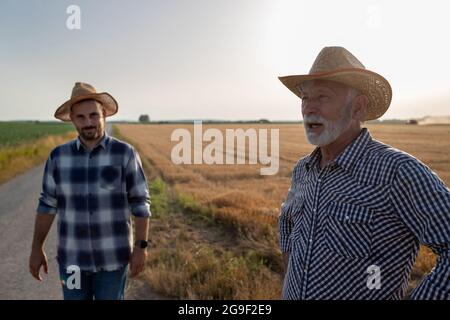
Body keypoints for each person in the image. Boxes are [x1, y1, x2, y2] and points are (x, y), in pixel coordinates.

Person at [278, 46, 450, 299]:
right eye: (305, 98)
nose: (308, 109)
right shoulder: (303, 169)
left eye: (322, 97)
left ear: (358, 108)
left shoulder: (398, 172)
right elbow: (288, 222)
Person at [29, 82, 151, 300]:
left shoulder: (125, 154)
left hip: (113, 262)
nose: (88, 123)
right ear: (73, 119)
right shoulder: (58, 157)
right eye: (81, 117)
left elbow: (140, 202)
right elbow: (47, 205)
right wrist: (37, 248)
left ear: (104, 114)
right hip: (72, 264)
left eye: (93, 115)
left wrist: (141, 247)